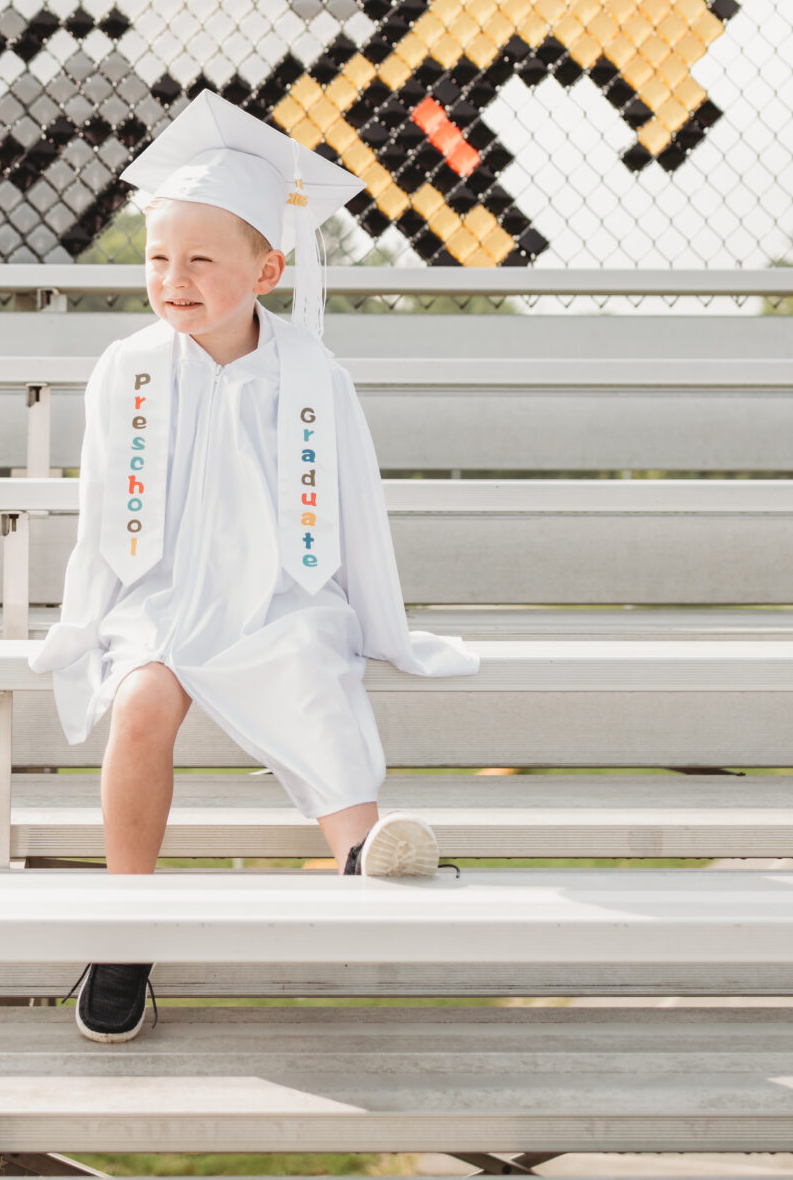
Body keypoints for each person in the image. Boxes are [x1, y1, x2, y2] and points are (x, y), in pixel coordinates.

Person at [29, 92, 480, 1044]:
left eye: (199, 260)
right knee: (143, 703)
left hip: (278, 596)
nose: (173, 278)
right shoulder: (129, 367)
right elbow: (100, 503)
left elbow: (354, 505)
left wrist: (376, 622)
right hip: (156, 599)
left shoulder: (312, 375)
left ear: (266, 268)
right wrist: (84, 615)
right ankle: (124, 929)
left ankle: (366, 852)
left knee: (313, 677)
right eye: (157, 258)